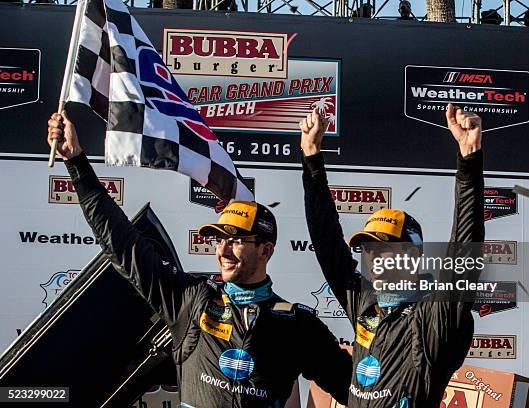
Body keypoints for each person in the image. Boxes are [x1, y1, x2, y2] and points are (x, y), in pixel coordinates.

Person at [46, 111, 352, 408]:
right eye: (220, 239)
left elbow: (360, 391)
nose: (223, 249)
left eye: (236, 240)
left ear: (265, 250)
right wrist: (76, 163)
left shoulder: (297, 324)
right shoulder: (191, 299)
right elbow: (123, 244)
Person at [299, 104, 485, 407]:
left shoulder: (433, 317)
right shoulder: (365, 301)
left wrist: (469, 163)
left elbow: (464, 254)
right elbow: (327, 241)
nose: (375, 258)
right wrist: (311, 159)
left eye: (386, 249)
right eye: (369, 249)